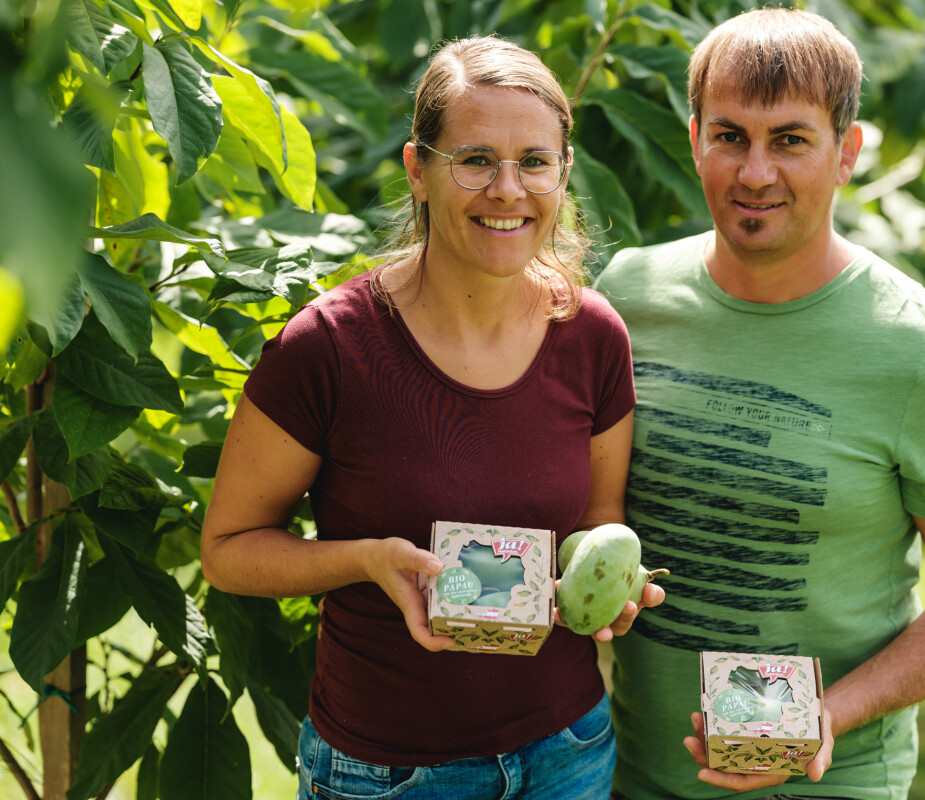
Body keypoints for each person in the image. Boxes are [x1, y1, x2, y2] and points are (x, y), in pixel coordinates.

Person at [201, 35, 663, 800]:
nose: (508, 190)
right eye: (475, 160)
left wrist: (610, 594)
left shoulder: (592, 337)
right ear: (419, 170)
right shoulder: (330, 347)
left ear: (563, 173)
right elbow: (227, 550)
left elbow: (597, 524)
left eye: (535, 162)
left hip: (567, 752)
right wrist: (365, 559)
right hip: (389, 771)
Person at [592, 8, 925, 800]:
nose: (755, 173)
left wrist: (832, 714)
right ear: (693, 141)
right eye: (730, 137)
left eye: (789, 140)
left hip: (830, 782)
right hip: (633, 778)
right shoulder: (626, 298)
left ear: (847, 152)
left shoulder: (920, 351)